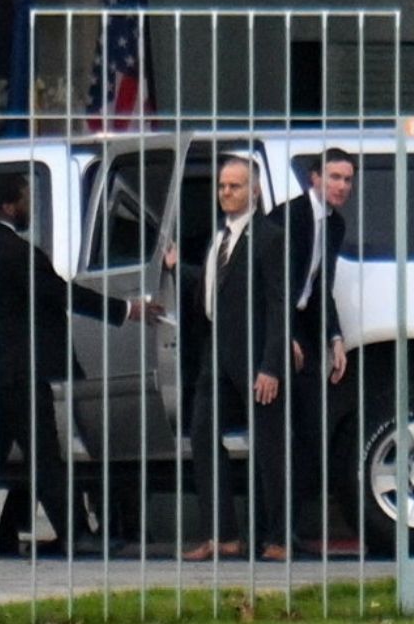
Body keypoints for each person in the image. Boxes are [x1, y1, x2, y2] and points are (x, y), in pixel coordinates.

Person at [0, 172, 163, 557]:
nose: (30, 206)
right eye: (26, 198)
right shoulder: (17, 252)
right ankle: (75, 534)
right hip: (16, 369)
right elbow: (62, 294)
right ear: (9, 206)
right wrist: (128, 309)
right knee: (44, 454)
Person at [162, 157, 289, 561]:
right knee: (202, 434)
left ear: (253, 191)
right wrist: (177, 268)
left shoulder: (269, 237)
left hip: (255, 358)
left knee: (269, 447)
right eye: (221, 186)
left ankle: (279, 537)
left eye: (234, 186)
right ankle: (223, 535)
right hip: (214, 355)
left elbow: (279, 305)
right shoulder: (219, 238)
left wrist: (271, 365)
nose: (225, 193)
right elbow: (212, 287)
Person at [267, 148, 356, 546]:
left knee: (310, 435)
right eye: (334, 177)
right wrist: (282, 335)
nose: (341, 186)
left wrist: (335, 338)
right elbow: (270, 284)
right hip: (275, 325)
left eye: (347, 180)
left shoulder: (335, 225)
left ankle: (289, 529)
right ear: (314, 179)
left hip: (304, 325)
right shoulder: (289, 217)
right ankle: (273, 533)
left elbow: (322, 287)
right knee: (279, 435)